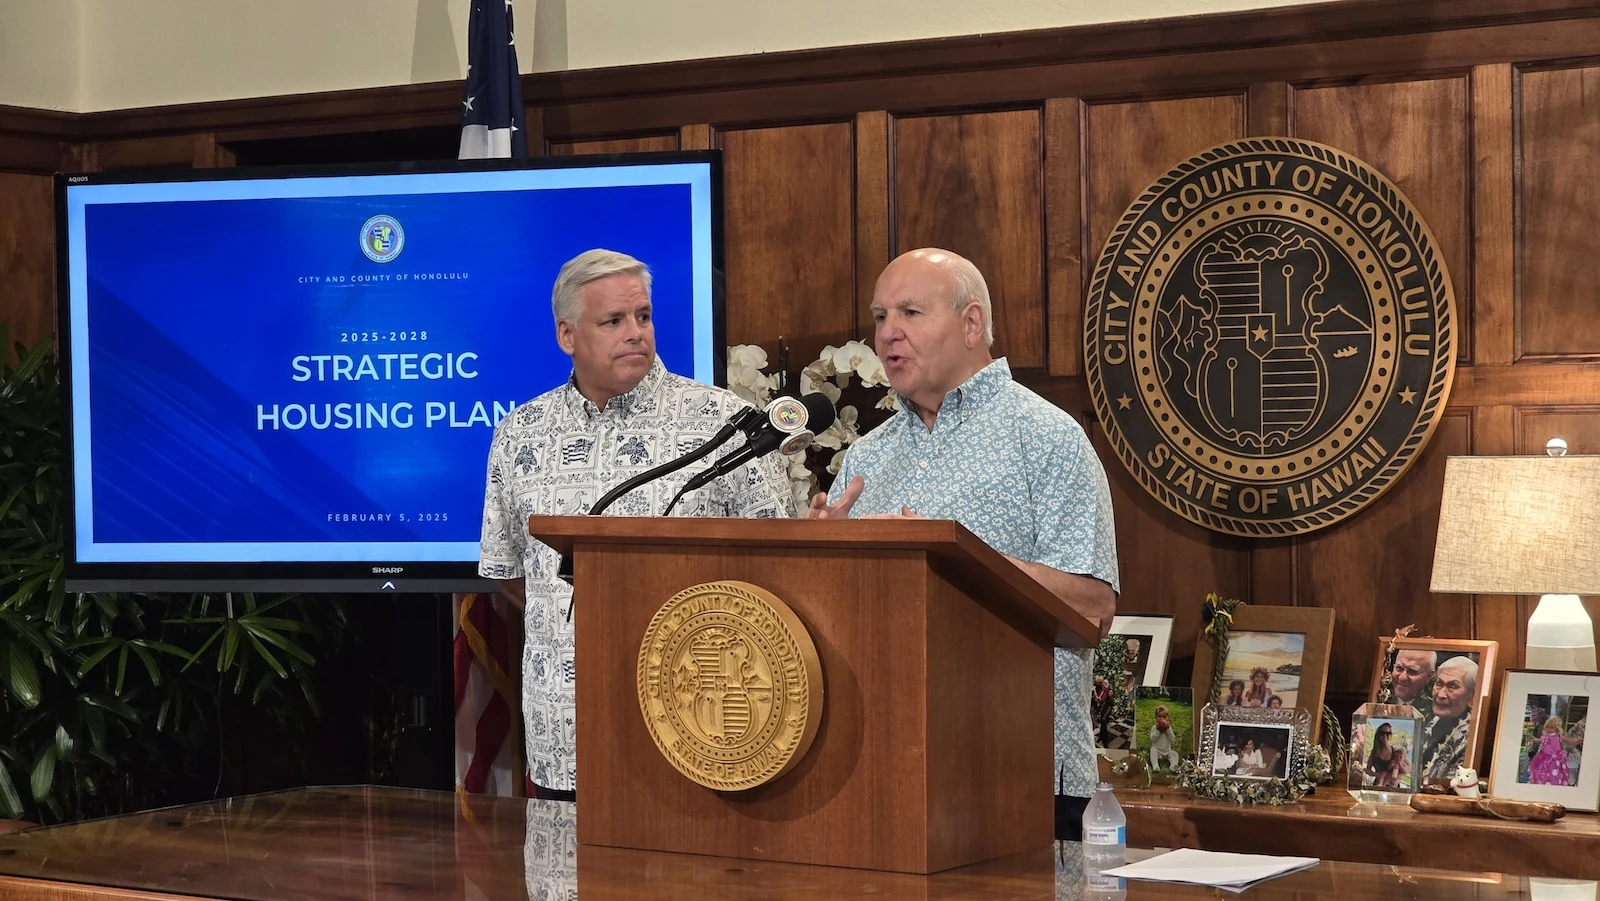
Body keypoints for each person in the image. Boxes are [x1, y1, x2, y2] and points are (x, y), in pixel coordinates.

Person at [805, 248, 1119, 840]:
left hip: (1016, 772)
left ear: (972, 324)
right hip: (878, 769)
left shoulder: (1049, 439)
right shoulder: (867, 455)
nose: (887, 333)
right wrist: (825, 559)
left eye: (910, 312)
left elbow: (1092, 608)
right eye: (879, 316)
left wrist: (948, 550)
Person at [479, 249, 795, 799]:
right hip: (566, 730)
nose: (635, 333)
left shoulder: (726, 425)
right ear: (566, 335)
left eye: (643, 316)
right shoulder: (518, 434)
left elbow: (780, 564)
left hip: (698, 727)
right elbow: (513, 571)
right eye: (613, 321)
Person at [1419, 656, 1479, 782]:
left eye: (1452, 687)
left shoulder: (1471, 741)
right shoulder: (1426, 723)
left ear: (1472, 697)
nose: (1441, 694)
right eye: (1439, 684)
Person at [1526, 715, 1579, 786]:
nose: (1549, 729)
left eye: (1551, 728)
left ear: (1557, 729)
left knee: (1553, 770)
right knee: (1545, 770)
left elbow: (1540, 741)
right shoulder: (1546, 736)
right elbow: (1540, 741)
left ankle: (1552, 781)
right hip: (1546, 756)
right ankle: (1545, 781)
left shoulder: (1553, 737)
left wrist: (1535, 739)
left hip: (1553, 758)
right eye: (1547, 727)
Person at [1148, 705, 1180, 772]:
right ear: (1156, 717)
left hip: (1167, 751)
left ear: (1167, 718)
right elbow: (1152, 739)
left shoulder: (1169, 728)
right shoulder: (1154, 728)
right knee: (1153, 751)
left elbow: (1172, 739)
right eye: (1159, 716)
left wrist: (1168, 730)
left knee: (1175, 754)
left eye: (1164, 717)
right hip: (1157, 750)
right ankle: (1155, 766)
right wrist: (1158, 730)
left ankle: (1173, 766)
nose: (1162, 719)